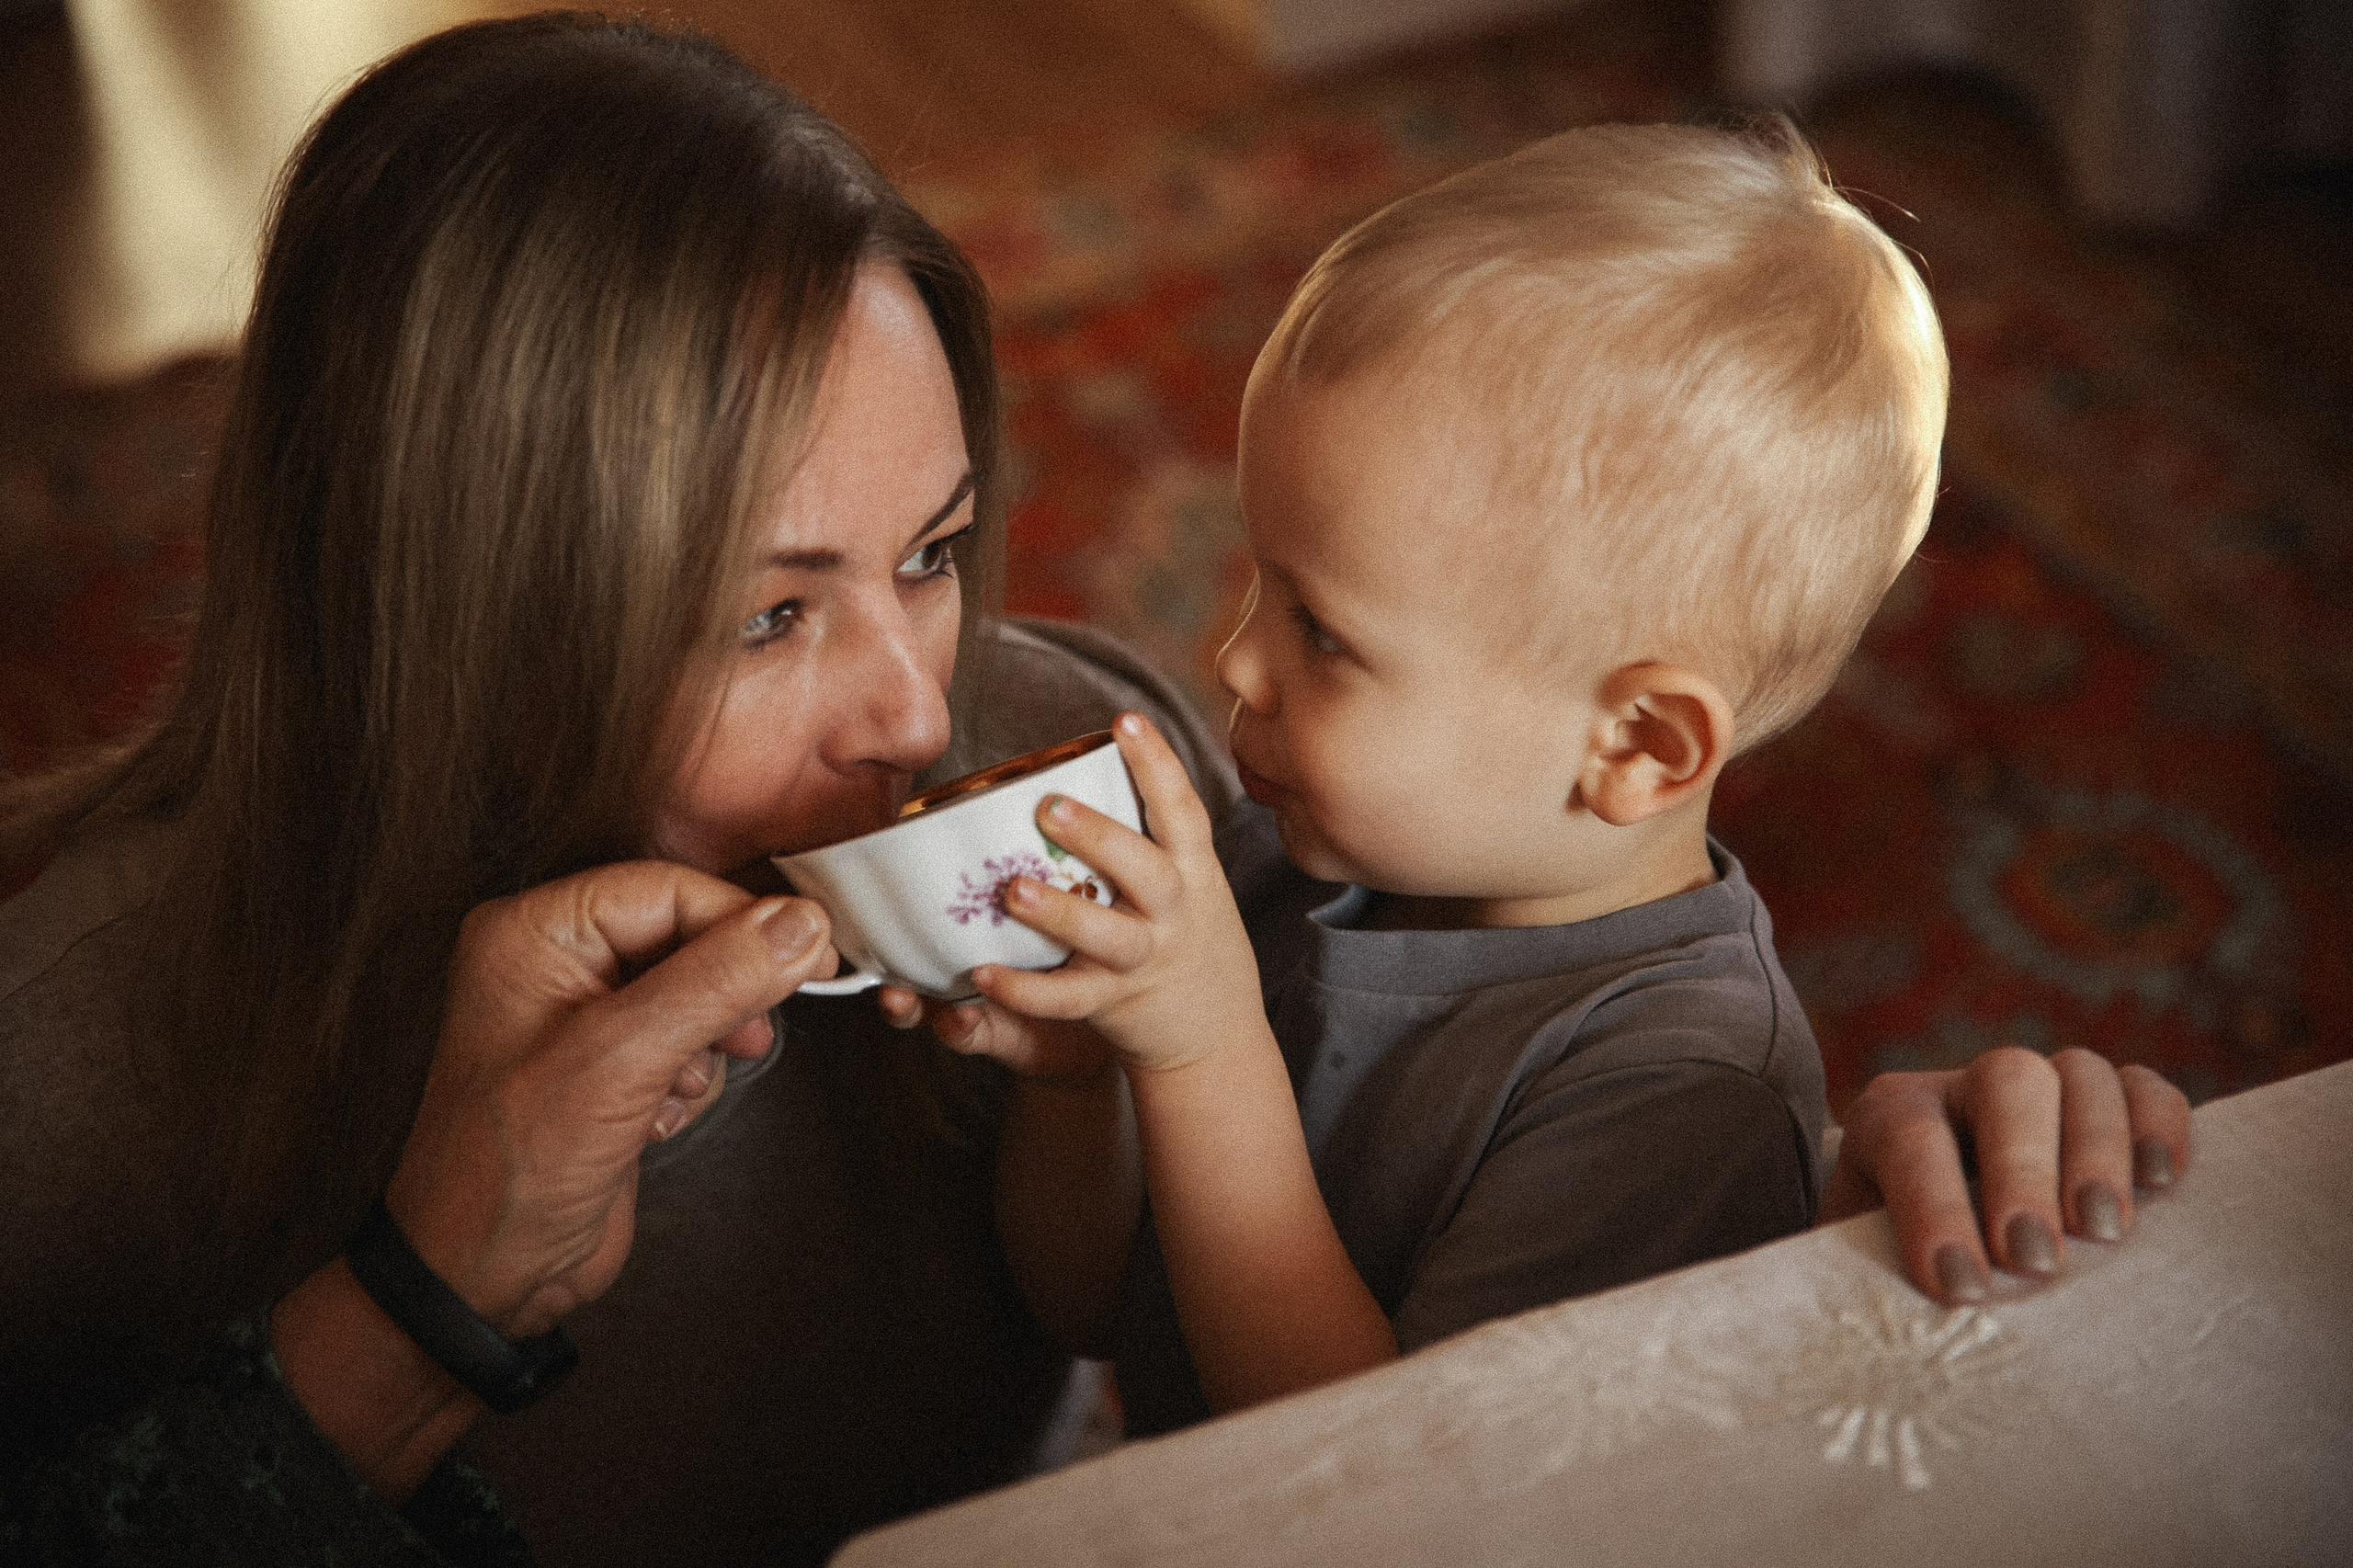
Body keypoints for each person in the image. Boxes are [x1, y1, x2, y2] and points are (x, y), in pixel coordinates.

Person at [0, 17, 2187, 1566]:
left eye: (933, 552)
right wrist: (417, 1304)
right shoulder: (63, 1085)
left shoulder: (1096, 757)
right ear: (449, 608)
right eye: (768, 614)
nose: (909, 709)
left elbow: (1528, 1176)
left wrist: (1846, 1184)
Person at [918, 119, 2195, 1435]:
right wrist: (1083, 1079)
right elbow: (1087, 1309)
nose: (1234, 662)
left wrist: (1201, 1051)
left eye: (1324, 632)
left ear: (1637, 747)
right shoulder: (1303, 856)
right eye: (1260, 581)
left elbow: (1385, 1489)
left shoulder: (1678, 1096)